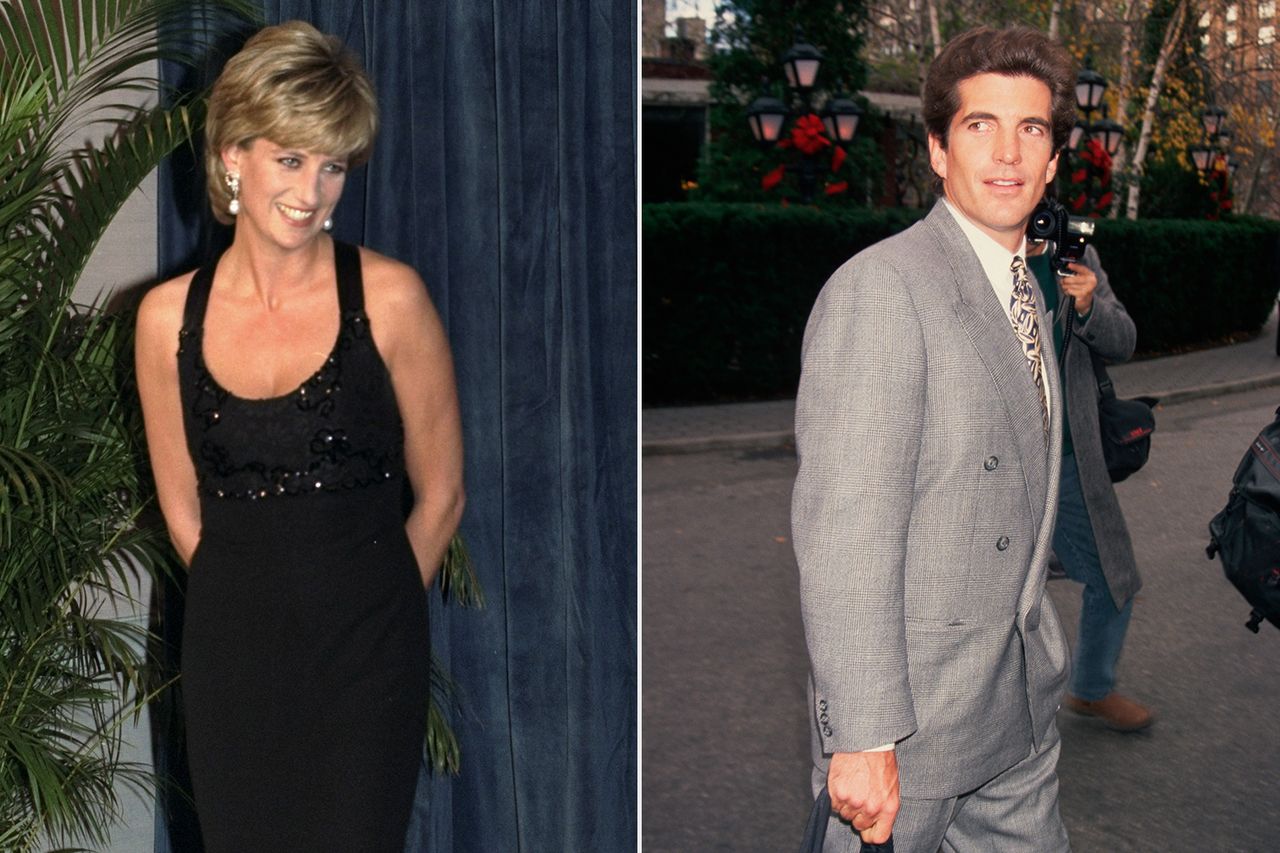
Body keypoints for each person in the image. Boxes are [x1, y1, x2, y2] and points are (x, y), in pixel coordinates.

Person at [135, 21, 463, 851]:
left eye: (334, 166)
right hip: (233, 662)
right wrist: (249, 606)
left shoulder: (391, 298)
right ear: (232, 155)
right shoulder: (165, 317)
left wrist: (378, 604)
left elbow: (444, 493)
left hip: (367, 662)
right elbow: (179, 504)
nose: (311, 191)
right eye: (291, 158)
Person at [792, 26, 1076, 851]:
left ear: (1054, 159)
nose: (1009, 152)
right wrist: (865, 735)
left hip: (1014, 710)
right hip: (907, 731)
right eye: (980, 125)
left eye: (1031, 129)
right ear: (939, 151)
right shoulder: (882, 289)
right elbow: (847, 531)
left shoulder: (1025, 286)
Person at [1027, 240, 1152, 731]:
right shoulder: (968, 250)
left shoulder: (1074, 254)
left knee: (1114, 577)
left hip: (1067, 456)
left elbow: (1123, 340)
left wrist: (1087, 304)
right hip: (987, 465)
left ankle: (1092, 687)